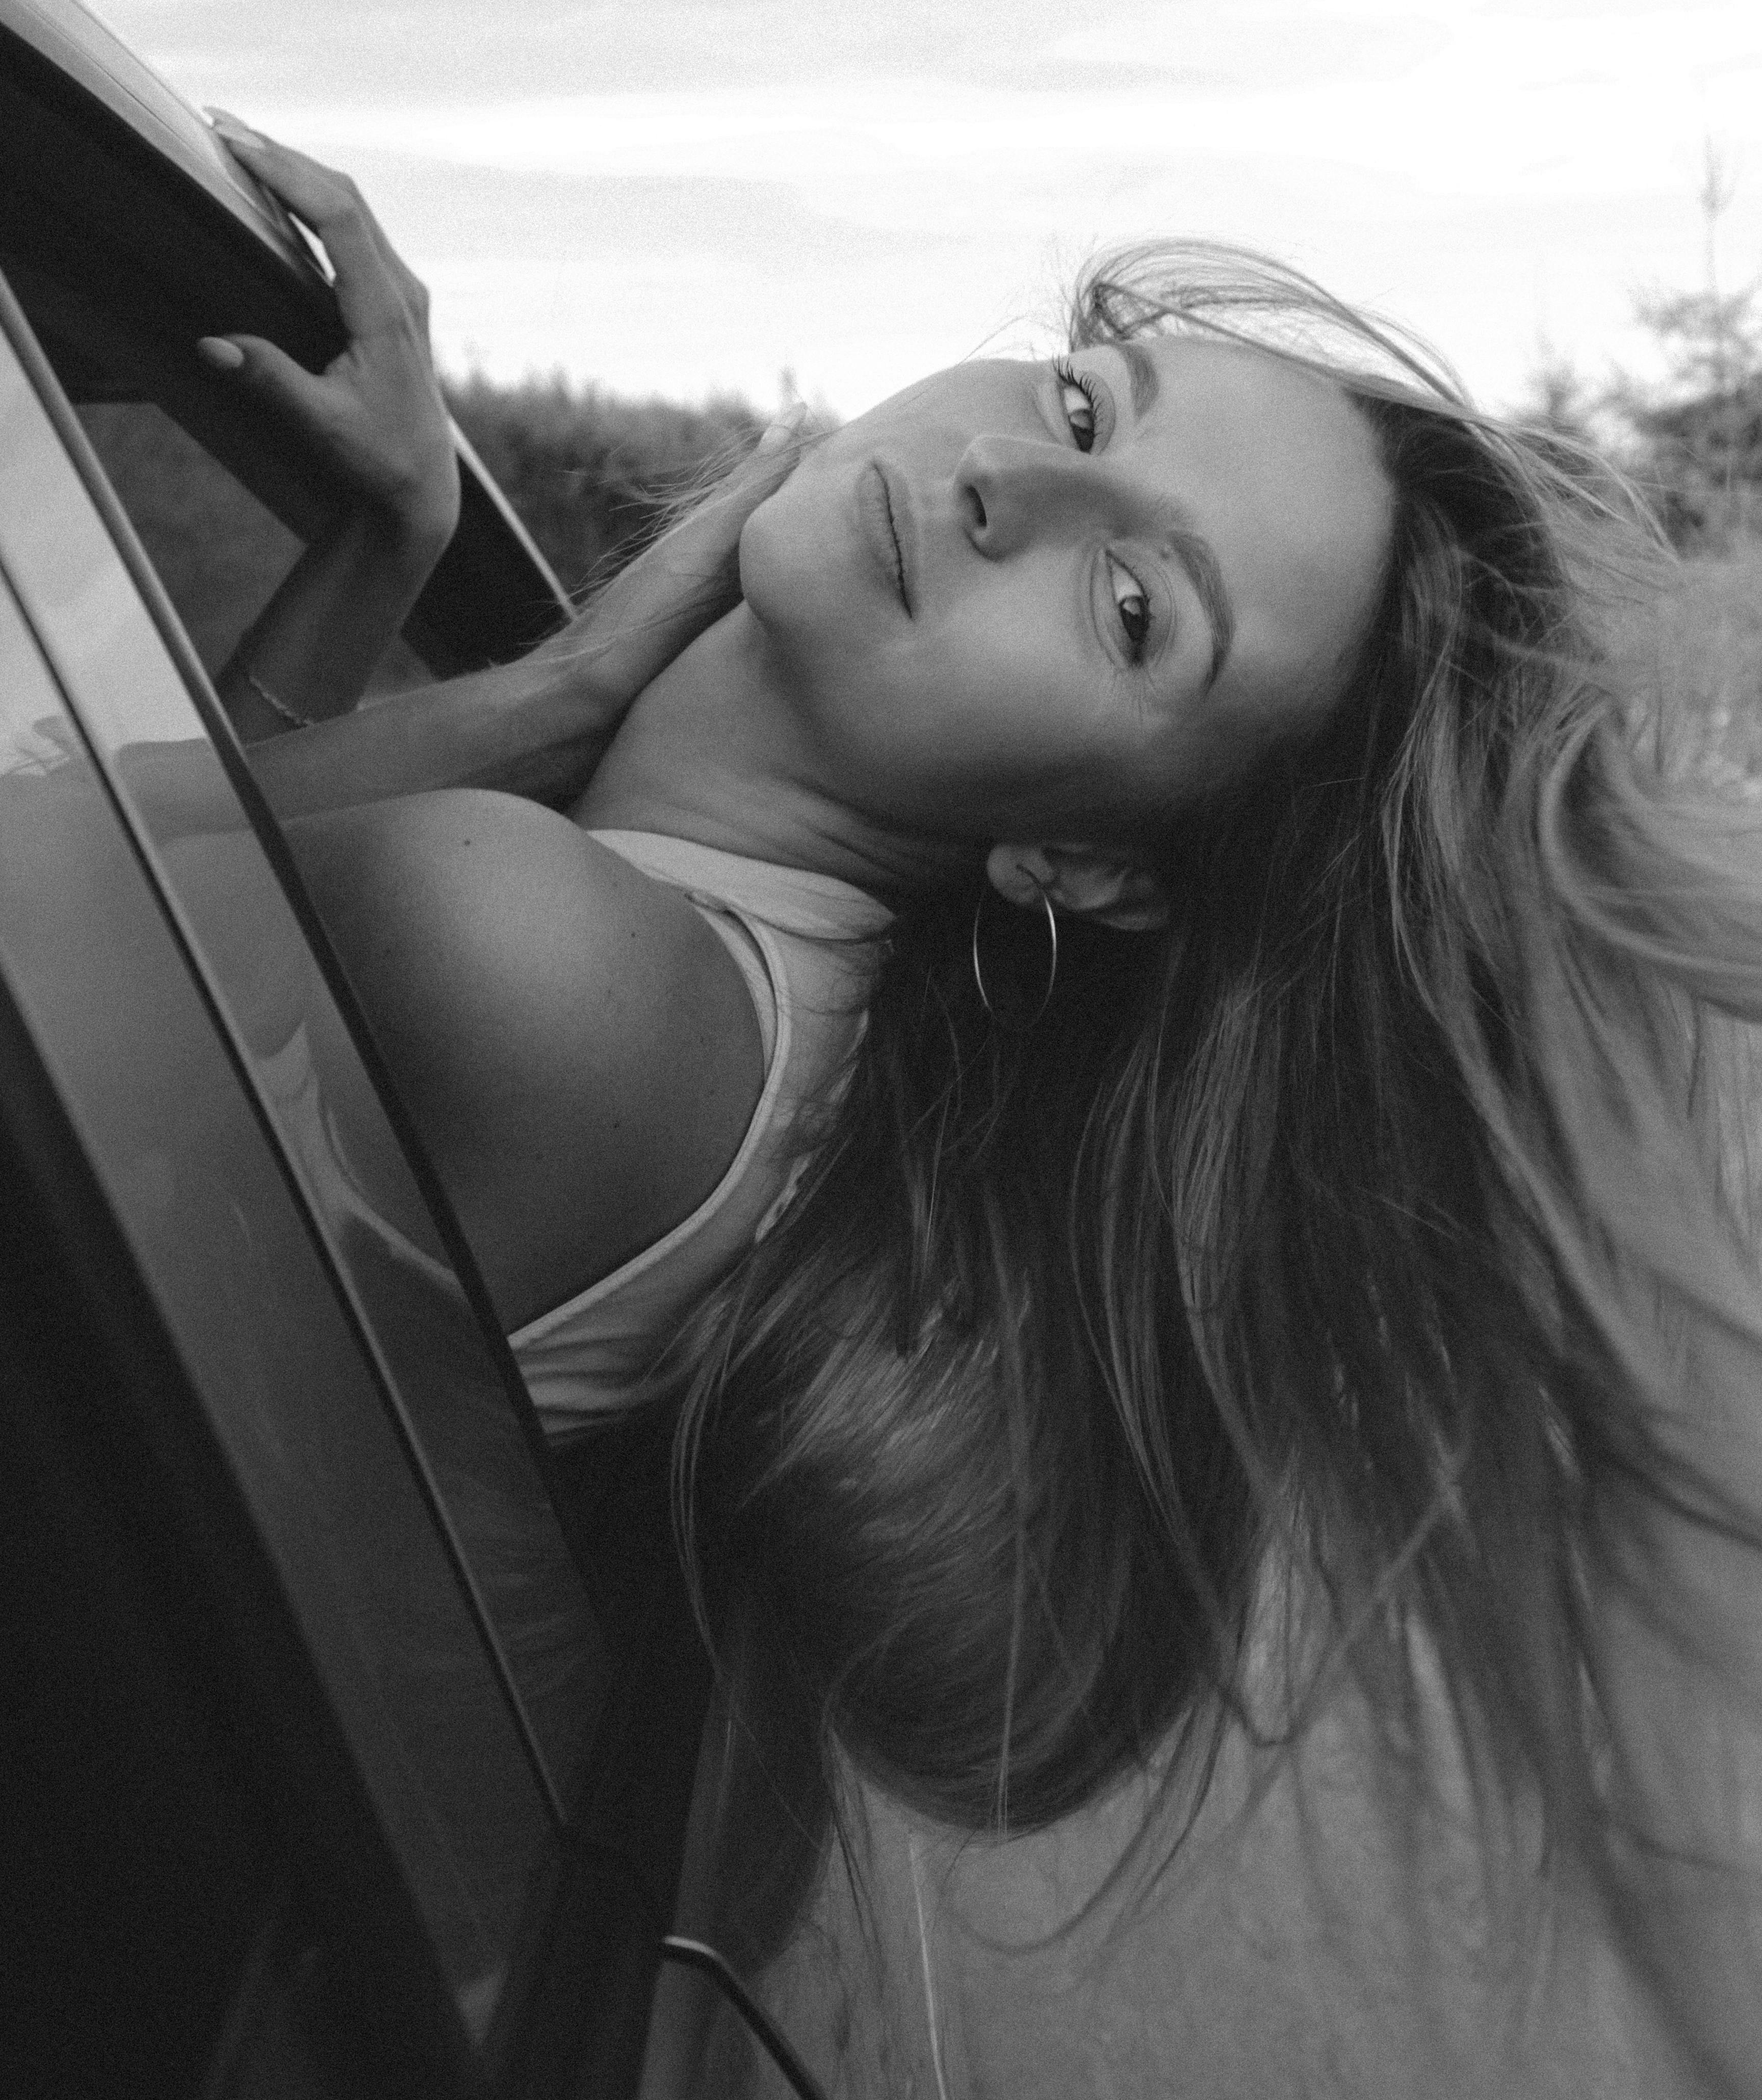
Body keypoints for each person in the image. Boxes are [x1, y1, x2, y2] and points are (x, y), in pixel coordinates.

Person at [201, 116, 1762, 2095]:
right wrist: (381, 570)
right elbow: (130, 925)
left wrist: (554, 692)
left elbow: (61, 883)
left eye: (1134, 611)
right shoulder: (738, 1024)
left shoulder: (547, 960)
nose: (1011, 479)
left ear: (1094, 866)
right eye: (1083, 399)